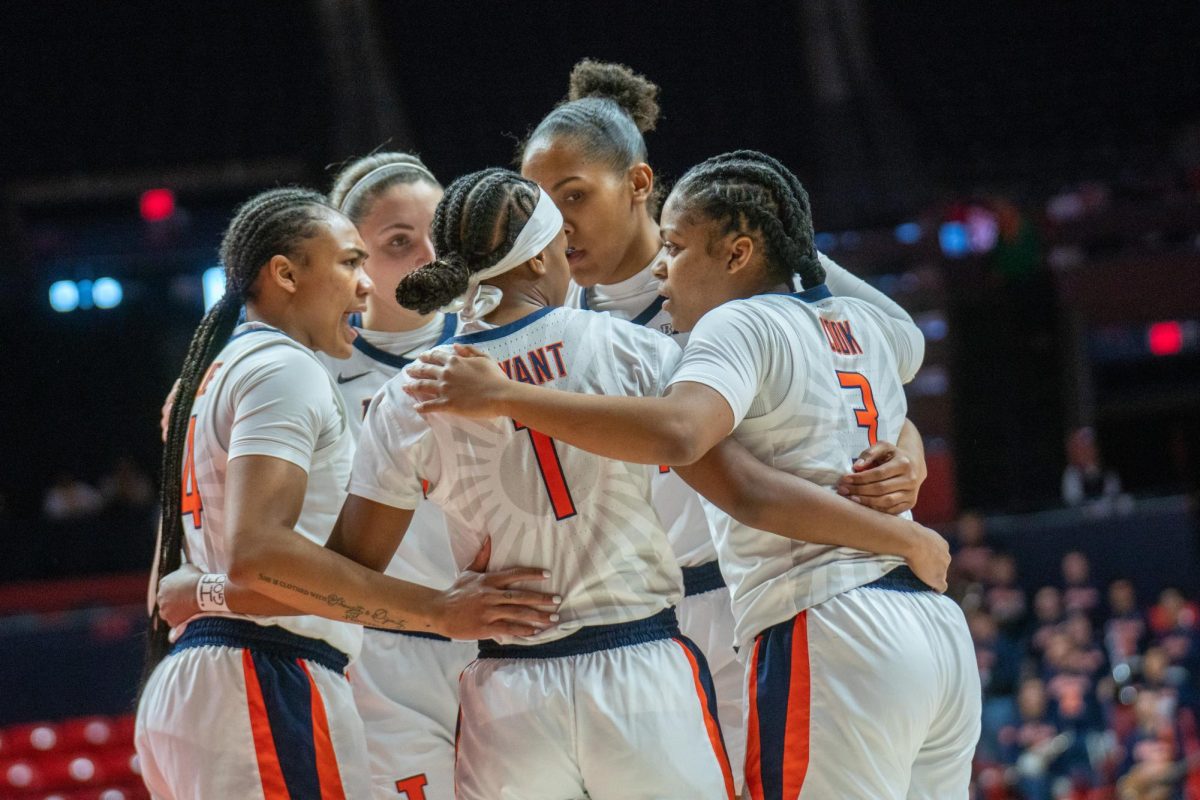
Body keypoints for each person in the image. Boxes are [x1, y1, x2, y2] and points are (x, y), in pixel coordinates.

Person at [340, 167, 948, 799]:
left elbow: (345, 578)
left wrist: (437, 614)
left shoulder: (408, 397)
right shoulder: (634, 352)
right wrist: (903, 481)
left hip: (508, 694)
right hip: (643, 672)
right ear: (546, 254)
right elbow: (749, 488)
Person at [519, 61, 930, 786]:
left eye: (574, 196)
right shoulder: (557, 326)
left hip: (772, 590)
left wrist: (907, 451)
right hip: (647, 627)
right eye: (539, 205)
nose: (555, 223)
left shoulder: (732, 261)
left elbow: (886, 350)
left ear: (640, 185)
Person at [137, 187, 557, 800]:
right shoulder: (286, 367)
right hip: (262, 673)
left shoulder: (207, 375)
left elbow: (190, 569)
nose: (365, 285)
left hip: (208, 678)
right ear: (284, 274)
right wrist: (439, 611)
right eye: (349, 262)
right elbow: (259, 554)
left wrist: (202, 591)